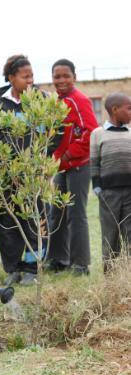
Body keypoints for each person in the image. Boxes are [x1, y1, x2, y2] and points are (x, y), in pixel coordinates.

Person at [0, 54, 48, 286]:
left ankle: (32, 267)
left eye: (32, 76)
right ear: (11, 78)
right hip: (6, 173)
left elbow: (51, 135)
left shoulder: (40, 100)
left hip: (32, 173)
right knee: (7, 219)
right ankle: (12, 267)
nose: (30, 81)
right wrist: (3, 167)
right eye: (25, 77)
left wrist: (43, 163)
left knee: (35, 218)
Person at [48, 59, 99, 275]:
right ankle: (59, 259)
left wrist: (68, 154)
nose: (61, 80)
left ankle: (81, 264)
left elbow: (91, 132)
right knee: (56, 212)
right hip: (61, 166)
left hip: (78, 165)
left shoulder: (80, 100)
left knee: (76, 214)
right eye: (57, 77)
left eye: (65, 76)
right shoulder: (57, 102)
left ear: (74, 77)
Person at [90, 93, 131, 273]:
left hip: (130, 193)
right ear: (115, 110)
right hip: (109, 194)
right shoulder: (98, 134)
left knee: (129, 235)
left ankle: (127, 276)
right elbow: (94, 163)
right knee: (110, 235)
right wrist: (98, 189)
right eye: (128, 108)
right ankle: (111, 278)